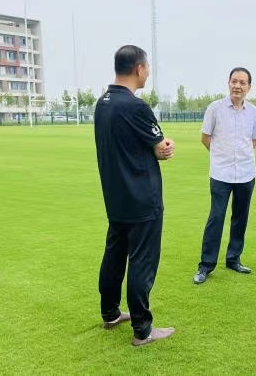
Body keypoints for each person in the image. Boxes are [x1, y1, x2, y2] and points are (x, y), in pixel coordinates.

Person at [94, 45, 176, 346]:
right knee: (142, 260)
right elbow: (160, 146)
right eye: (147, 68)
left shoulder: (102, 103)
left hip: (115, 197)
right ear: (139, 68)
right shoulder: (135, 106)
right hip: (142, 197)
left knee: (114, 255)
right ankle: (143, 329)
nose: (148, 73)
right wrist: (165, 148)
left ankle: (110, 312)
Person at [193, 67, 256, 285]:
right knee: (216, 218)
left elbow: (253, 140)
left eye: (242, 82)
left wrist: (240, 157)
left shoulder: (253, 111)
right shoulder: (215, 108)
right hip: (221, 173)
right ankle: (206, 265)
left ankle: (234, 258)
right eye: (234, 81)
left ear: (249, 87)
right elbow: (205, 138)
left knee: (240, 218)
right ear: (228, 83)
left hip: (246, 173)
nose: (237, 86)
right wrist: (221, 156)